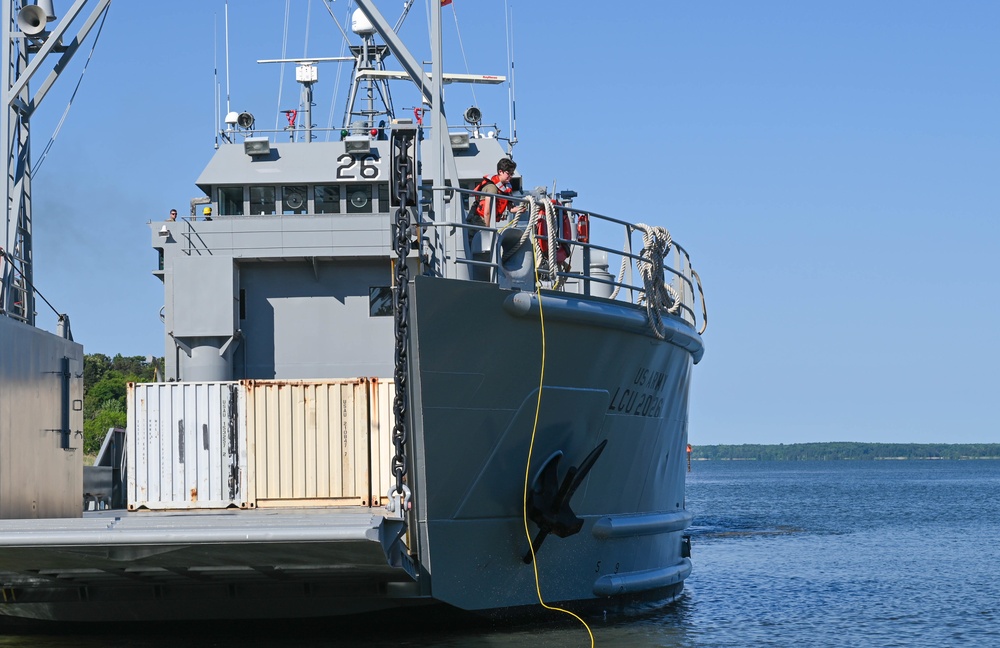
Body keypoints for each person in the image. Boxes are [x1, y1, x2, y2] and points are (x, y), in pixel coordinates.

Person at [468, 157, 526, 230]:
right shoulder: (492, 188)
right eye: (508, 173)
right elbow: (487, 212)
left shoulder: (506, 188)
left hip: (487, 221)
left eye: (512, 174)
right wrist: (488, 230)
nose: (510, 176)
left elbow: (510, 208)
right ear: (500, 172)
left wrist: (520, 209)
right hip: (478, 221)